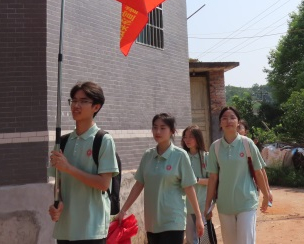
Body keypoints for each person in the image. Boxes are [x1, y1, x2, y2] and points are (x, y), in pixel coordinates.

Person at [113, 113, 204, 244]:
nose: (158, 131)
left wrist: (198, 217)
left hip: (173, 222)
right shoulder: (147, 156)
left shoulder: (180, 156)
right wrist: (123, 210)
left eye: (162, 128)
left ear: (172, 131)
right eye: (155, 127)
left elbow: (189, 187)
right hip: (152, 223)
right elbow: (138, 185)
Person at [48, 81, 119, 244]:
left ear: (96, 107)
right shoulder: (62, 142)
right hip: (65, 229)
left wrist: (69, 168)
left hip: (91, 229)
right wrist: (58, 202)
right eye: (73, 100)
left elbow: (103, 184)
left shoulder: (104, 140)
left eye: (83, 101)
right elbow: (58, 181)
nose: (76, 105)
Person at [205, 107, 270, 244]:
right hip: (224, 204)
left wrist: (266, 195)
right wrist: (207, 205)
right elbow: (213, 178)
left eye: (232, 117)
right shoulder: (215, 147)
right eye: (224, 118)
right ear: (220, 123)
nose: (228, 121)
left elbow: (258, 172)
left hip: (246, 202)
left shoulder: (247, 143)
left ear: (238, 122)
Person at [181, 125, 209, 244]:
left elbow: (213, 181)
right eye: (185, 137)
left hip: (202, 203)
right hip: (185, 205)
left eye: (191, 137)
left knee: (203, 238)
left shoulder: (206, 157)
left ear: (198, 138)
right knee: (191, 239)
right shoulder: (182, 157)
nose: (187, 140)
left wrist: (195, 180)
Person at [237, 120, 273, 206]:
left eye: (239, 128)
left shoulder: (250, 145)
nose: (236, 130)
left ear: (246, 131)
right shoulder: (223, 147)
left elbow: (261, 169)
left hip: (249, 190)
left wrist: (267, 191)